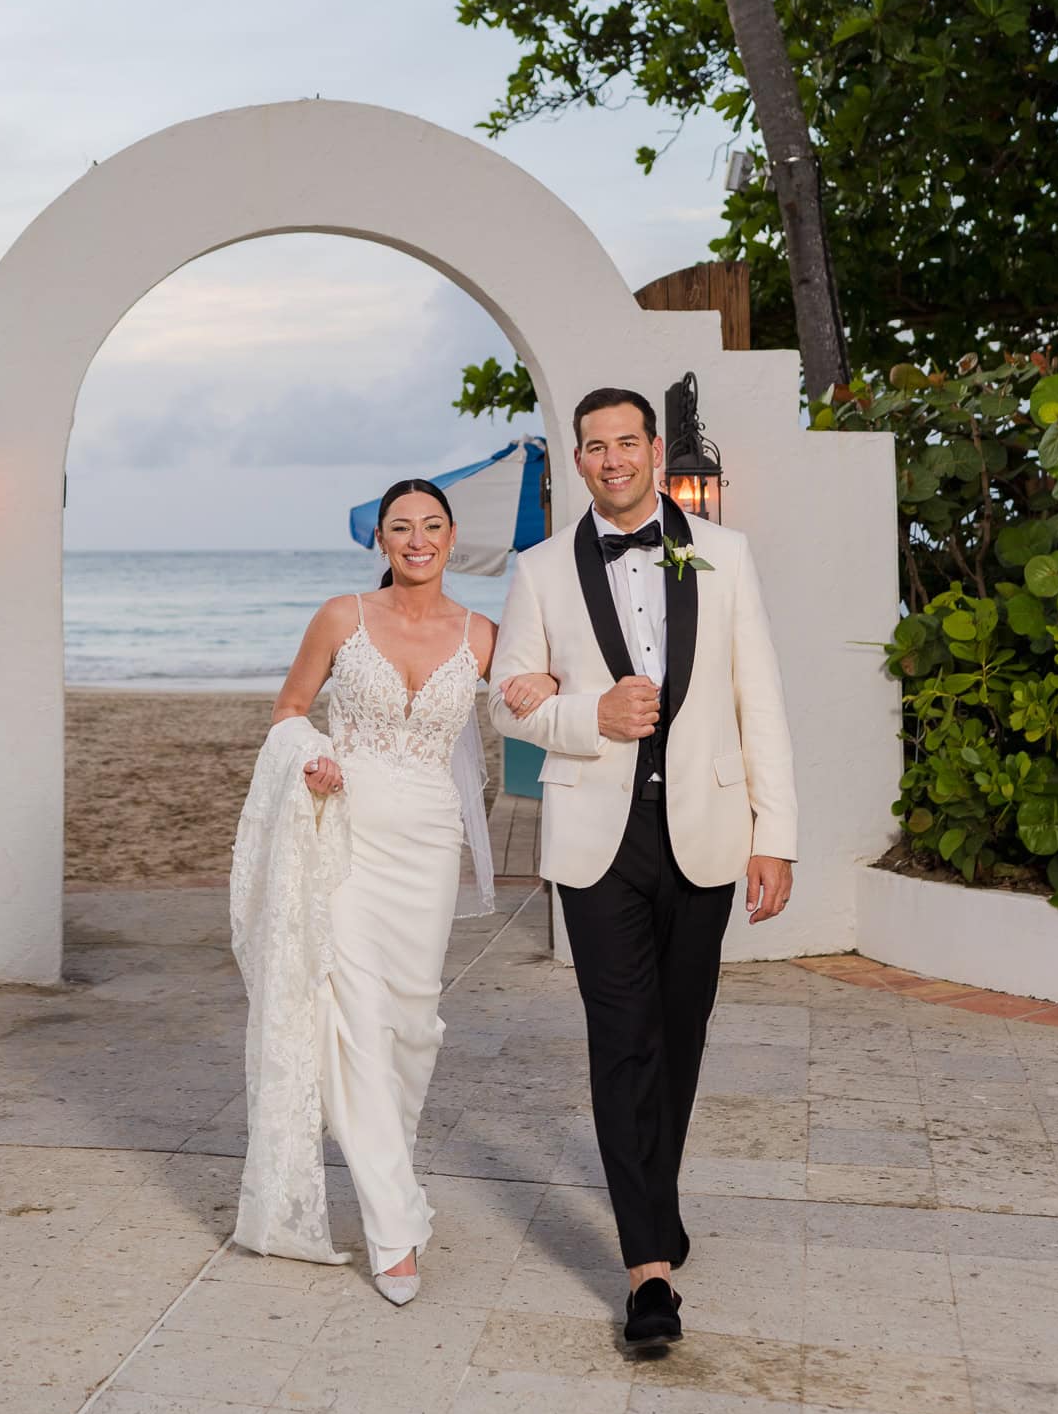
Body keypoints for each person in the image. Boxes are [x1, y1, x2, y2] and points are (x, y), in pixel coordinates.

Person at [488, 386, 796, 1349]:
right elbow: (507, 701)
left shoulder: (727, 555)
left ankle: (654, 1201)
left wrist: (774, 832)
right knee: (622, 1038)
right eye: (594, 446)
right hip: (597, 842)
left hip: (704, 828)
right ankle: (647, 1272)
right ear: (576, 460)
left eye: (628, 442)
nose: (613, 459)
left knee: (681, 1032)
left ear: (656, 451)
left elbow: (760, 699)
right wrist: (588, 717)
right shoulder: (539, 570)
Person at [230, 479, 497, 1304]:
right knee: (350, 1021)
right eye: (400, 528)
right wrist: (310, 756)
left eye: (432, 526)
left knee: (412, 1025)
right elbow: (288, 708)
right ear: (381, 541)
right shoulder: (342, 617)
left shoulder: (484, 635)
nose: (417, 540)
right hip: (341, 835)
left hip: (428, 846)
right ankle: (393, 1229)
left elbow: (533, 702)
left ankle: (394, 1179)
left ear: (452, 537)